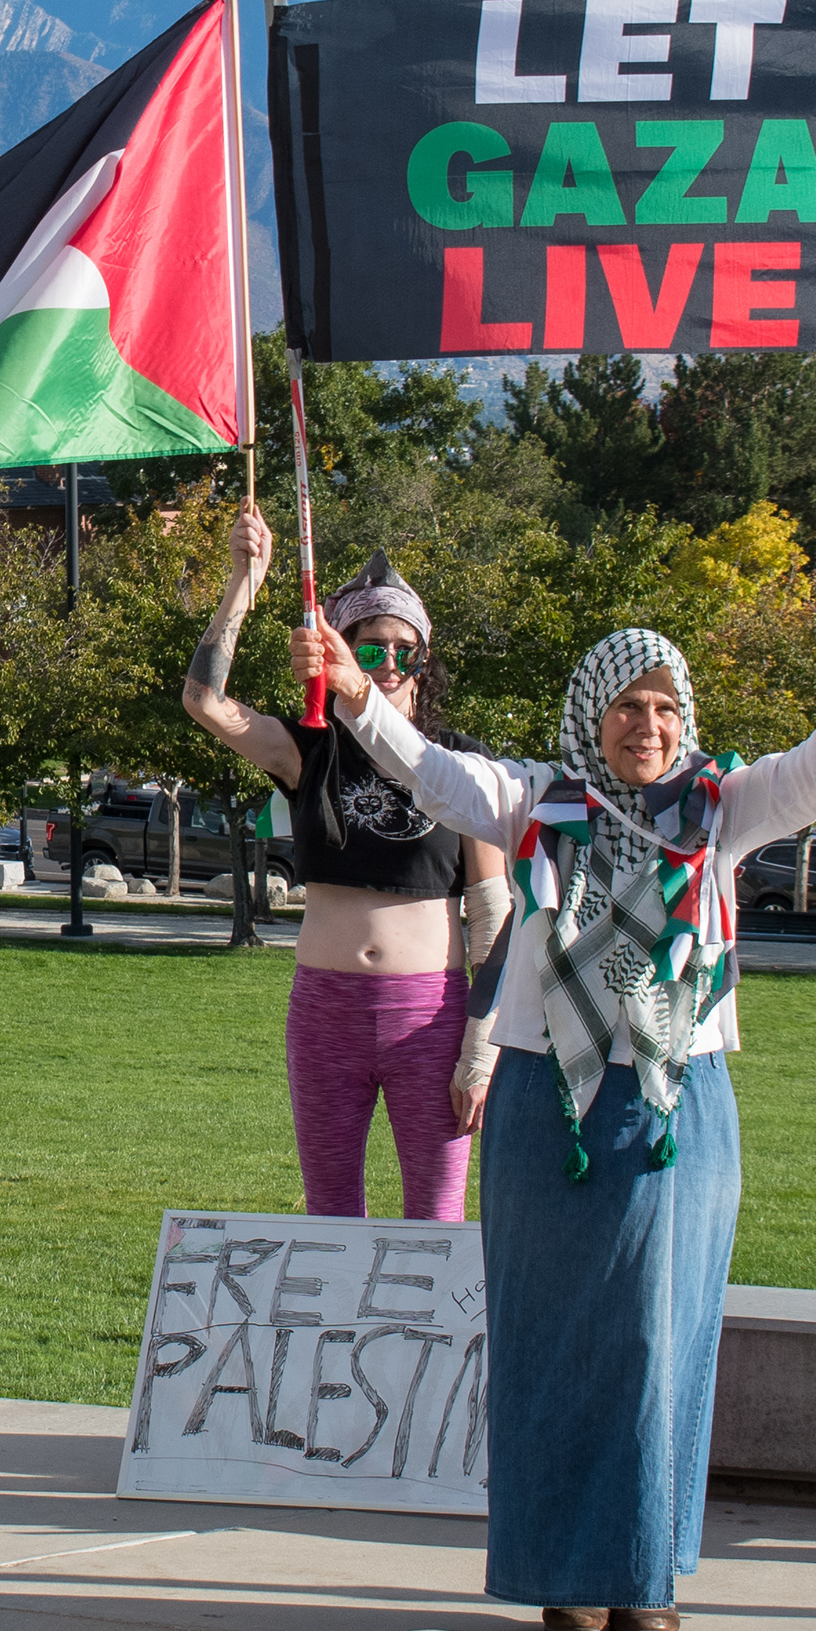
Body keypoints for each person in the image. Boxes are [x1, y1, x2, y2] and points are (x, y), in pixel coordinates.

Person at [297, 580, 816, 1631]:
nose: (651, 727)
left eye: (668, 707)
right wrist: (357, 692)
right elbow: (431, 772)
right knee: (556, 1337)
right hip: (551, 1111)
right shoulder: (533, 802)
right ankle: (566, 1571)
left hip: (677, 1109)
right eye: (629, 707)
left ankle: (643, 1574)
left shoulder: (726, 810)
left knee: (658, 1339)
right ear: (593, 715)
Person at [183, 512, 509, 1221]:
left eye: (404, 649)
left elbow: (491, 913)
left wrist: (481, 1051)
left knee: (437, 1218)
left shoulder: (462, 766)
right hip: (325, 1012)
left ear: (425, 659)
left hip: (432, 1017)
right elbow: (204, 702)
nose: (388, 665)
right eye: (370, 649)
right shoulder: (312, 750)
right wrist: (243, 584)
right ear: (341, 654)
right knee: (331, 1217)